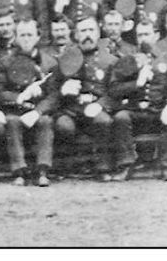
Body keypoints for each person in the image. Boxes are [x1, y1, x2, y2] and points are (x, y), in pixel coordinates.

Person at [106, 18, 167, 181]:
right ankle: (126, 165)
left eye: (147, 34)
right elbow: (114, 89)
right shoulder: (126, 60)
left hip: (158, 110)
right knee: (120, 117)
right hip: (134, 110)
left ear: (156, 36)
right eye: (140, 35)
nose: (143, 38)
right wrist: (136, 83)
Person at [52, 16, 122, 181]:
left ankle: (102, 167)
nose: (87, 35)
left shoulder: (110, 60)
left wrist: (100, 104)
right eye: (83, 31)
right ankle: (68, 166)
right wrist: (63, 90)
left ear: (98, 33)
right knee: (63, 126)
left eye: (91, 30)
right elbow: (52, 88)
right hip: (71, 108)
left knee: (103, 121)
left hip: (96, 106)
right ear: (76, 35)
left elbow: (115, 91)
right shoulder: (65, 58)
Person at [0, 19, 58, 186]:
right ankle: (18, 171)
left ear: (37, 37)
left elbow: (54, 96)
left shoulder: (49, 63)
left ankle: (42, 171)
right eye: (22, 35)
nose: (26, 39)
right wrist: (18, 98)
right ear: (16, 38)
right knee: (12, 122)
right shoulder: (5, 61)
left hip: (37, 111)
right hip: (14, 110)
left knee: (45, 121)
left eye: (30, 35)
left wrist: (37, 112)